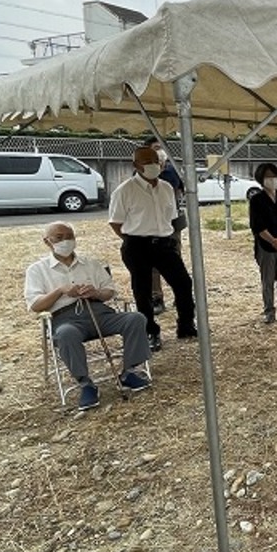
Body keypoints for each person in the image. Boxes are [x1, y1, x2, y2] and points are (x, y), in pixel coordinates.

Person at [25, 222, 152, 411]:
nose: (65, 241)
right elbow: (35, 305)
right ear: (47, 241)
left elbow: (110, 292)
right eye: (59, 237)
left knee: (136, 319)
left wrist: (96, 293)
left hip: (98, 311)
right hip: (65, 317)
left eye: (69, 236)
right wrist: (60, 291)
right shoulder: (37, 270)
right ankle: (86, 384)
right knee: (66, 334)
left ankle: (130, 371)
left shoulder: (90, 263)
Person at [109, 144, 198, 351]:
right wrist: (131, 239)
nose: (152, 165)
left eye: (155, 161)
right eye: (146, 161)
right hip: (137, 244)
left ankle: (186, 325)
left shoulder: (167, 188)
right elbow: (115, 222)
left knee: (183, 283)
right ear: (136, 165)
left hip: (165, 243)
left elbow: (172, 217)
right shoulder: (125, 190)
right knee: (143, 291)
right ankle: (150, 331)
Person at [248, 162, 277, 324]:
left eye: (274, 176)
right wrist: (272, 240)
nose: (272, 179)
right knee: (267, 280)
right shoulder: (256, 200)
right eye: (268, 177)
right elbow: (258, 226)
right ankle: (269, 311)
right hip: (265, 246)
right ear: (261, 180)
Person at [142, 134, 185, 314]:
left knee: (175, 259)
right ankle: (157, 298)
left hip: (171, 223)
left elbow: (181, 190)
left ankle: (180, 296)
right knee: (153, 265)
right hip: (150, 226)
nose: (160, 152)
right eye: (156, 148)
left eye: (162, 148)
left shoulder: (172, 170)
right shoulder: (140, 172)